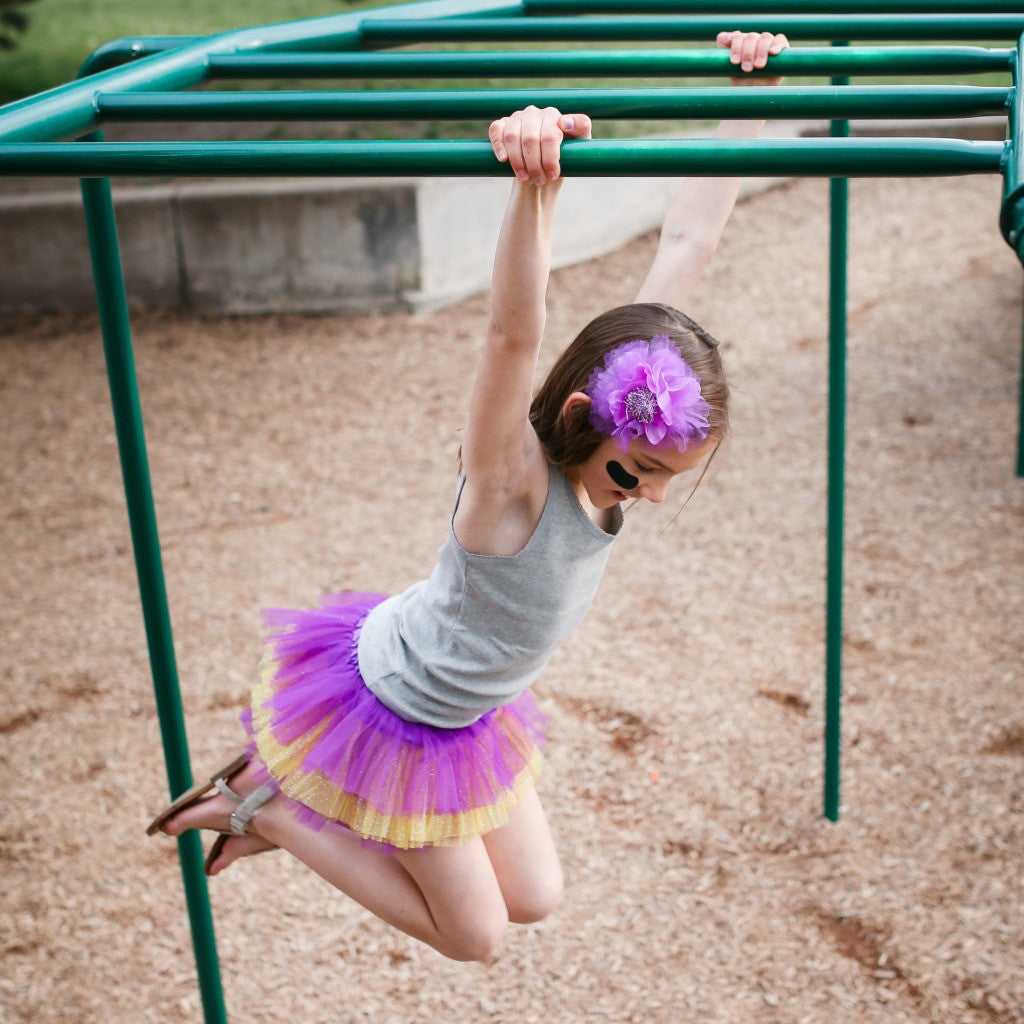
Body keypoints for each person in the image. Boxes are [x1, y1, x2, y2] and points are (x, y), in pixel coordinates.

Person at [148, 30, 789, 962]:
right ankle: (269, 811)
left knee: (536, 897)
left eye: (658, 482)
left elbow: (694, 236)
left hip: (471, 710)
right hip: (403, 713)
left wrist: (746, 87)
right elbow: (508, 335)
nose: (642, 498)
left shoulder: (629, 409)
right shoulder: (510, 480)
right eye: (635, 474)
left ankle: (277, 802)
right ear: (582, 415)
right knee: (477, 935)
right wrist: (535, 189)